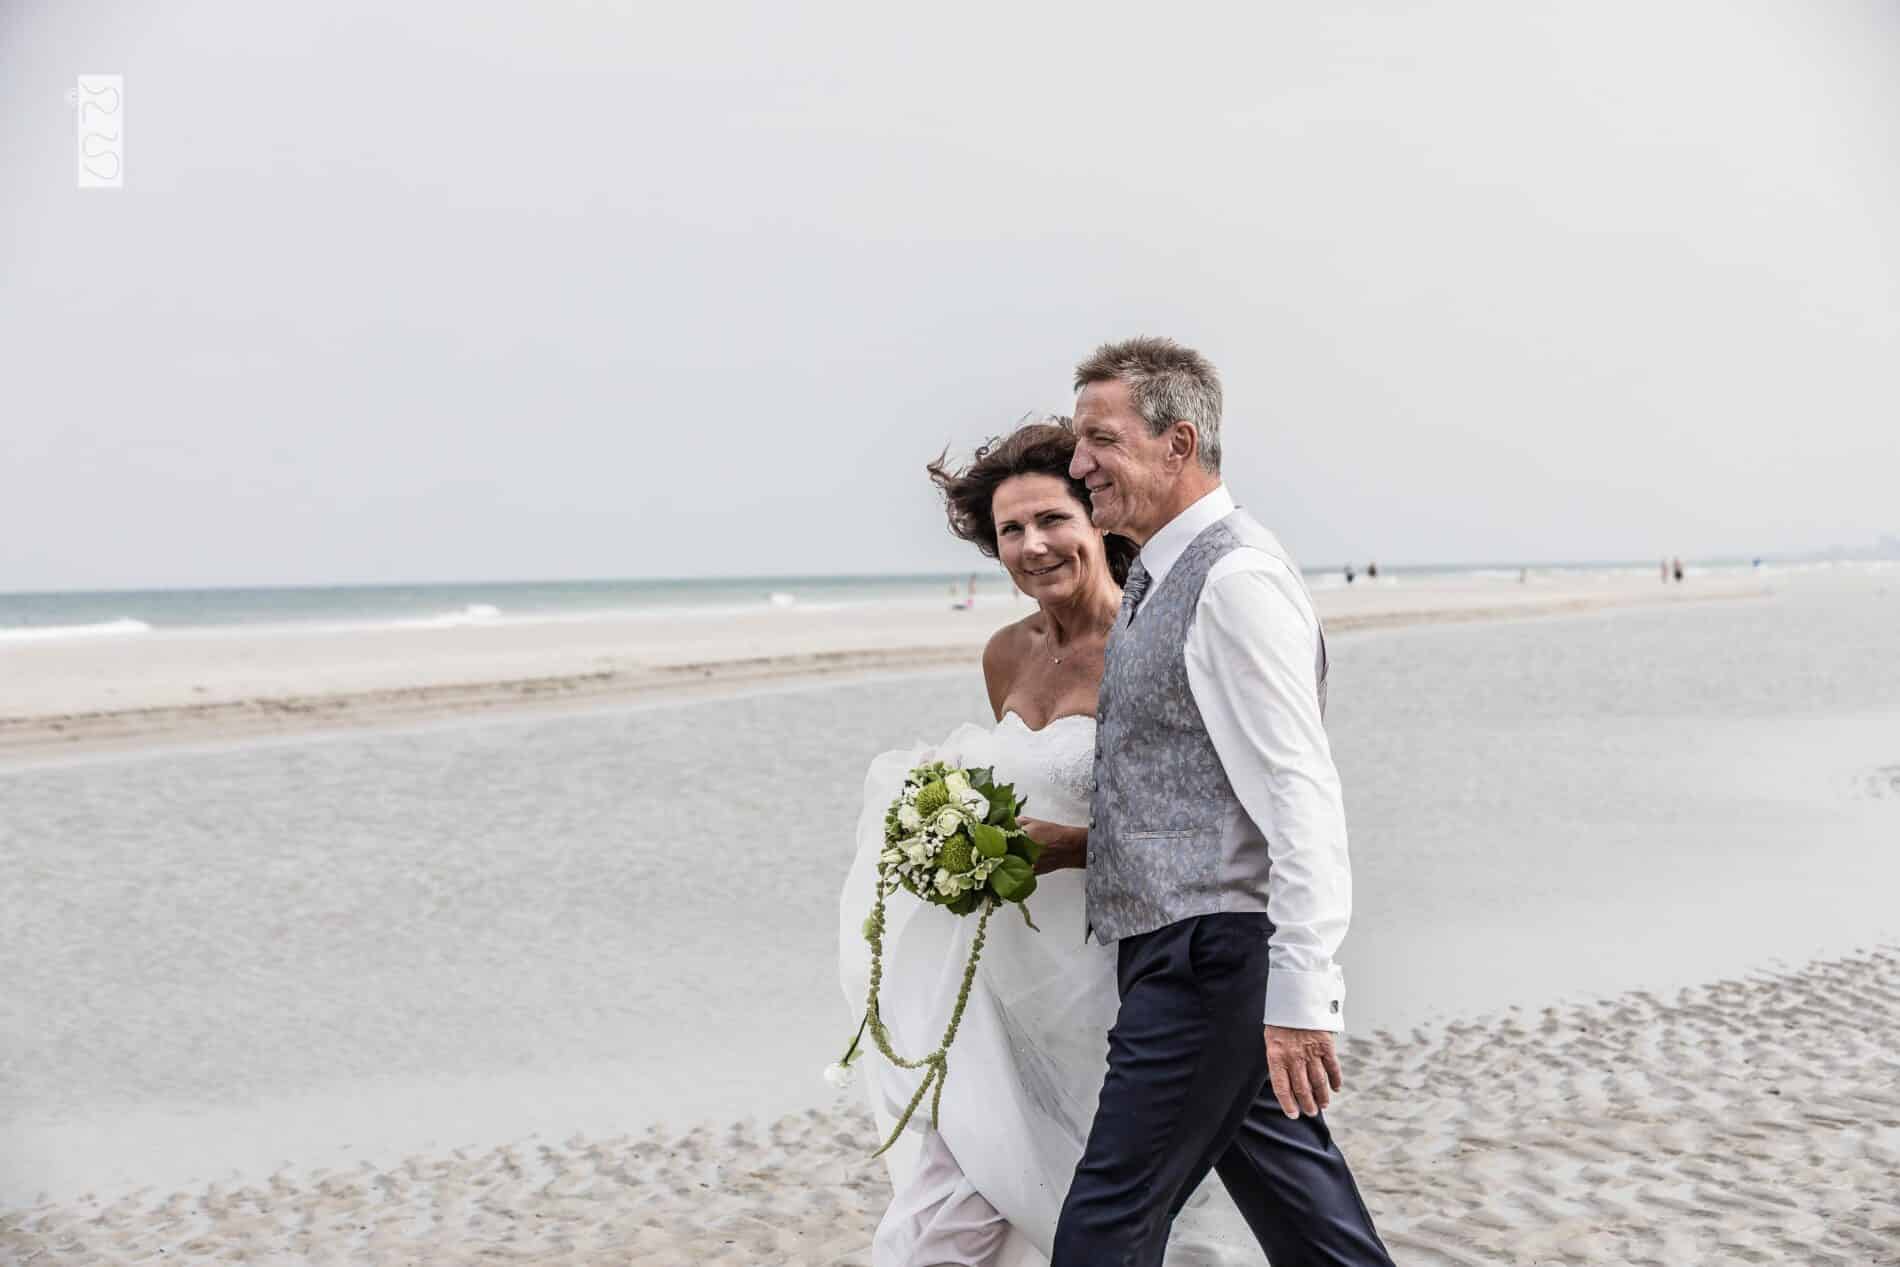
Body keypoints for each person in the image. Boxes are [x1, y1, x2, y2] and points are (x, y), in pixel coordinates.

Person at [840, 418, 1241, 1264]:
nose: (1032, 545)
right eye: (1010, 530)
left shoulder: (1153, 641)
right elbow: (1018, 786)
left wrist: (1070, 847)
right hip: (995, 987)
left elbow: (1205, 825)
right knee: (941, 1219)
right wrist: (955, 841)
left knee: (1104, 1206)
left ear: (1097, 513)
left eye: (1051, 518)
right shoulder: (1004, 653)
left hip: (1108, 983)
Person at [1046, 336, 1393, 1265]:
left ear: (1178, 443)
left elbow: (1300, 788)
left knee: (1104, 1226)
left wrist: (1302, 988)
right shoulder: (1160, 572)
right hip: (1189, 950)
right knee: (1312, 1228)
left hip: (1211, 961)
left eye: (1099, 440)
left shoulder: (1233, 580)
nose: (1078, 464)